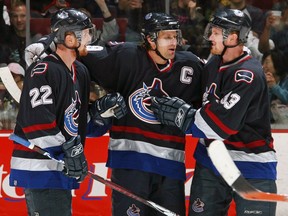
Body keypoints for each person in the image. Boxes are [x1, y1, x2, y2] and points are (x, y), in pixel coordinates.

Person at [151, 8, 277, 216]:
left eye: (216, 33)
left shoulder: (247, 75)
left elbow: (218, 126)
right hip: (211, 164)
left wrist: (183, 116)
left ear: (233, 36)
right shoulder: (212, 65)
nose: (210, 36)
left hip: (251, 167)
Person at [80, 12, 203, 215]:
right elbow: (79, 53)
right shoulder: (125, 56)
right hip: (130, 166)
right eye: (166, 37)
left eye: (175, 36)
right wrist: (46, 45)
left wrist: (190, 115)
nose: (173, 42)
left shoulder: (190, 66)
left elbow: (215, 96)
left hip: (170, 169)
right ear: (150, 40)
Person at [9, 8, 100, 216]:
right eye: (85, 33)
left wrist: (100, 116)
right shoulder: (43, 70)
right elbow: (37, 125)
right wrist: (68, 153)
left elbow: (76, 122)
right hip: (40, 168)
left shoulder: (81, 71)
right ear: (69, 38)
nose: (90, 38)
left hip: (59, 168)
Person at [262, 49, 288, 127]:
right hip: (268, 123)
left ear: (277, 63)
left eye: (267, 62)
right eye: (263, 63)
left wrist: (274, 87)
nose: (263, 66)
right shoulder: (261, 80)